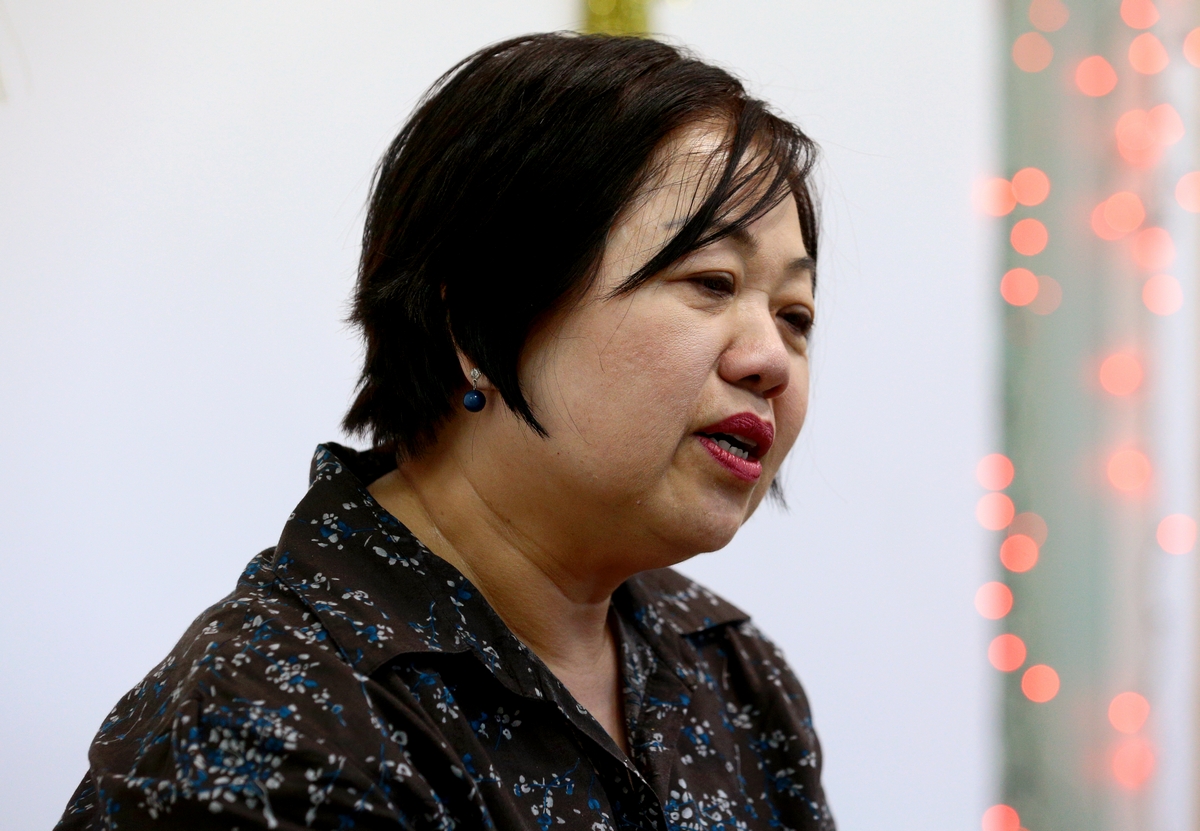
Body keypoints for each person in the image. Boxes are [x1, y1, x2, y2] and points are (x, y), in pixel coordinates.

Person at [57, 32, 831, 831]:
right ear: (476, 326)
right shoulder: (272, 729)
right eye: (712, 281)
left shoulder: (733, 673)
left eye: (795, 315)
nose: (771, 359)